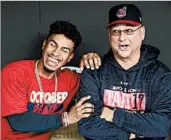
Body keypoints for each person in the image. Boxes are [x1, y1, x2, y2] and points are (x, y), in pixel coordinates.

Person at [78, 4, 171, 140]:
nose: (122, 38)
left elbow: (161, 126)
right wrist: (129, 135)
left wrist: (111, 114)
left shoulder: (161, 75)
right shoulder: (93, 71)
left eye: (129, 31)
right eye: (116, 31)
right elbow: (87, 125)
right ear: (109, 35)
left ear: (142, 32)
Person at [1, 20, 101, 140]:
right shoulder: (15, 72)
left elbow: (98, 84)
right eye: (53, 45)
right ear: (44, 45)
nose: (55, 53)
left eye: (64, 50)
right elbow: (18, 122)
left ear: (70, 57)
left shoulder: (70, 79)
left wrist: (90, 60)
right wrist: (66, 118)